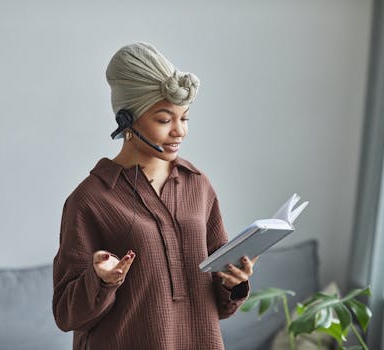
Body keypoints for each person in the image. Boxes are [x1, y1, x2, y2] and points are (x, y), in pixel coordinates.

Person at [52, 42, 258, 350]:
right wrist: (102, 281)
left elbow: (218, 305)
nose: (179, 131)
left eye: (184, 118)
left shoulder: (198, 185)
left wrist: (233, 281)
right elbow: (66, 314)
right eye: (164, 120)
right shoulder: (91, 199)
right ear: (127, 121)